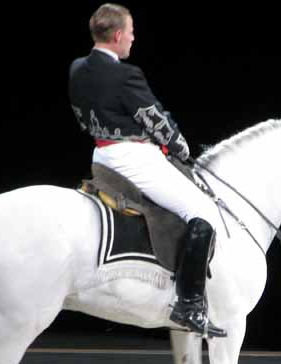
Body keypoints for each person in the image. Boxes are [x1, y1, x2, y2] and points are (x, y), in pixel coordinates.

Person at [68, 3, 226, 338]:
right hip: (134, 158)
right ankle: (191, 304)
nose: (134, 39)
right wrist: (181, 147)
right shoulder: (126, 74)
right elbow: (155, 119)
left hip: (101, 155)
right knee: (204, 212)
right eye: (132, 32)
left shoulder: (77, 68)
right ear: (119, 35)